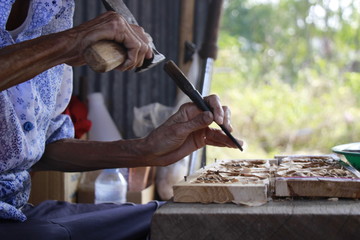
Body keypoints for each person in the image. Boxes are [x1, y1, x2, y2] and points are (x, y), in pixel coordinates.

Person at [0, 0, 243, 239]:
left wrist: (144, 150)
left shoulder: (56, 7)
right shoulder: (65, 33)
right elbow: (68, 45)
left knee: (180, 223)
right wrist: (69, 42)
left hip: (20, 214)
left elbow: (44, 149)